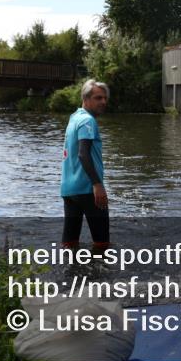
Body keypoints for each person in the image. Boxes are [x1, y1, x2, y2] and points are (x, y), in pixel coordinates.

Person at [60, 80, 110, 252]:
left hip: (69, 190)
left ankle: (69, 274)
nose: (103, 102)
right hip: (88, 189)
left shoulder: (74, 118)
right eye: (98, 98)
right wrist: (97, 184)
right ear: (86, 99)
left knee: (69, 242)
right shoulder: (88, 121)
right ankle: (99, 277)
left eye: (104, 98)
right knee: (102, 244)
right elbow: (83, 153)